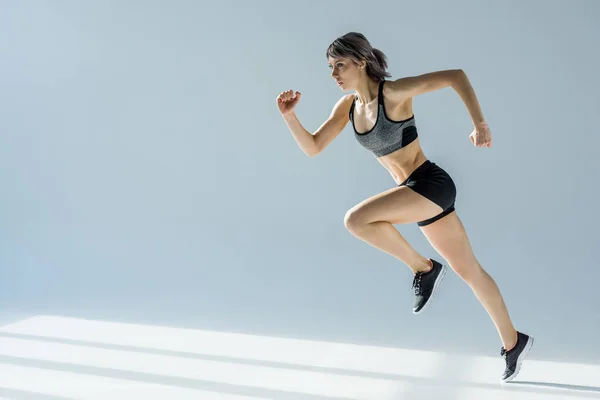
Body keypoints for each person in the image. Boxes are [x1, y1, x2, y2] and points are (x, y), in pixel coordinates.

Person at [276, 31, 533, 382]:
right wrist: (290, 117)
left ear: (361, 62)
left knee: (356, 220)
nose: (334, 74)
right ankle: (513, 342)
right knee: (470, 271)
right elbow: (314, 147)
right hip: (414, 195)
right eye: (330, 67)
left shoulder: (393, 94)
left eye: (340, 65)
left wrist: (479, 124)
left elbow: (455, 76)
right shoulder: (348, 107)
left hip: (430, 184)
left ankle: (424, 269)